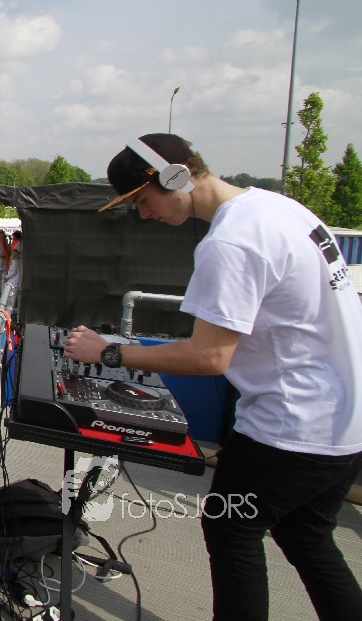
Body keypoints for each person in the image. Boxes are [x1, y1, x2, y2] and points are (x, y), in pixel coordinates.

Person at [64, 133, 362, 621]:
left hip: (292, 428)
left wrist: (108, 352)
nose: (144, 214)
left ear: (175, 176)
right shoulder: (278, 208)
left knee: (231, 532)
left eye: (143, 200)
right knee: (305, 536)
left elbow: (209, 357)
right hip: (345, 426)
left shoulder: (231, 241)